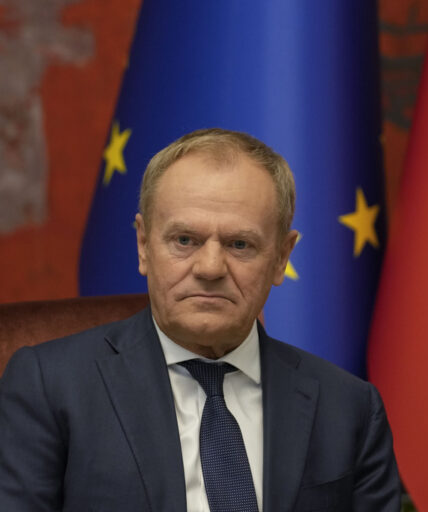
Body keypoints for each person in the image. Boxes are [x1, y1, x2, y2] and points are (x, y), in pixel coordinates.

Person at [0, 128, 400, 511]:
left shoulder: (350, 409)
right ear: (143, 245)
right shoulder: (49, 387)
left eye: (239, 244)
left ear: (281, 257)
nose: (210, 268)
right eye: (185, 240)